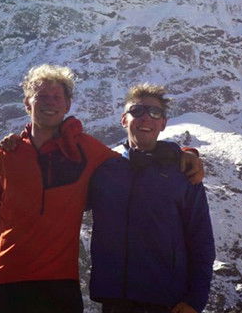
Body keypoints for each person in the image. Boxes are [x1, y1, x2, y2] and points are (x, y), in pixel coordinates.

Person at [0, 66, 203, 313]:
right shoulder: (3, 157)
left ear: (67, 105)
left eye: (57, 97)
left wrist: (184, 154)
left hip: (61, 289)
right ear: (28, 103)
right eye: (41, 96)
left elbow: (132, 161)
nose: (50, 103)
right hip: (6, 285)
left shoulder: (86, 151)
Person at [88, 84, 214, 313]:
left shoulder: (183, 172)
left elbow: (201, 238)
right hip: (114, 300)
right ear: (124, 119)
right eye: (137, 110)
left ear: (164, 123)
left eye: (155, 112)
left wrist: (195, 299)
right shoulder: (103, 170)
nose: (145, 117)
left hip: (167, 302)